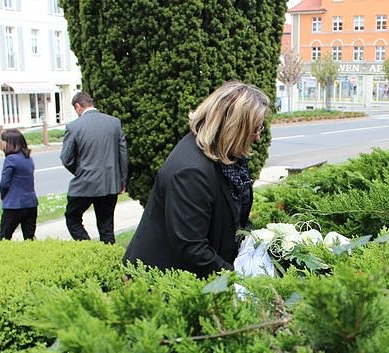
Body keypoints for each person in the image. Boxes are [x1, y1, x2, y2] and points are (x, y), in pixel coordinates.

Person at [123, 80, 269, 277]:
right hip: (164, 281)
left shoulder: (225, 157)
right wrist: (238, 279)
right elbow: (191, 248)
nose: (257, 138)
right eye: (255, 129)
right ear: (232, 128)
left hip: (194, 271)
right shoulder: (191, 172)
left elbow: (234, 219)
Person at [59, 91, 128, 244]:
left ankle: (88, 247)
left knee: (72, 218)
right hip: (110, 184)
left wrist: (79, 171)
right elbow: (122, 154)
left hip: (84, 184)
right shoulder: (114, 123)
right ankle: (109, 258)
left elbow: (66, 158)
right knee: (106, 227)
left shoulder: (74, 126)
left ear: (78, 107)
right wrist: (122, 180)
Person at [0, 129, 38, 240]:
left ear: (9, 143)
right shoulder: (28, 158)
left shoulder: (10, 159)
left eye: (2, 141)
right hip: (31, 203)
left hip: (13, 204)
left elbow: (4, 184)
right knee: (29, 238)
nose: (1, 144)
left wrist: (3, 196)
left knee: (5, 238)